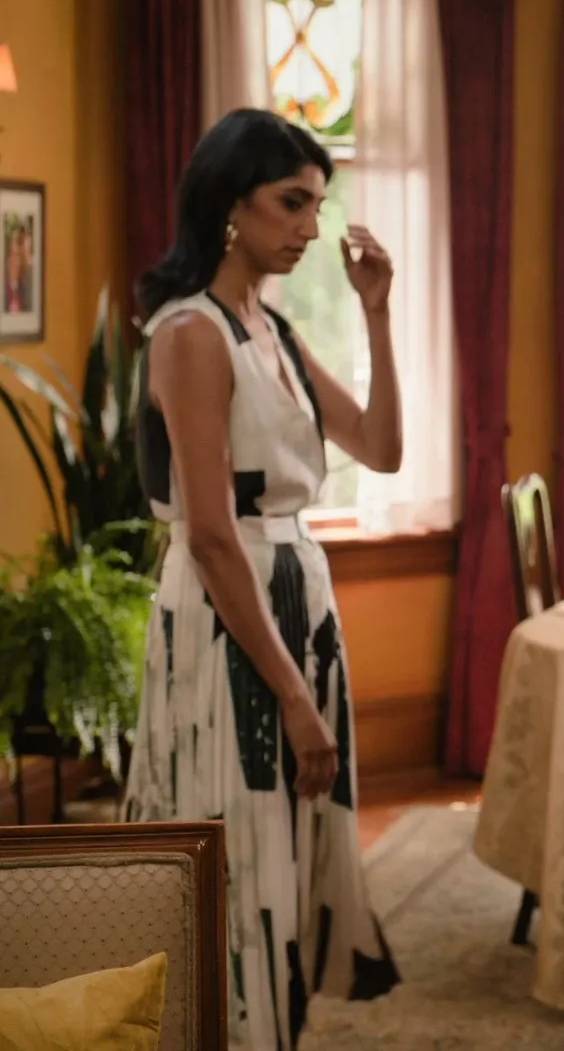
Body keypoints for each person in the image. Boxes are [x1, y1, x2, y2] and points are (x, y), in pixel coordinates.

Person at [121, 107, 404, 1049]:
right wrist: (293, 697)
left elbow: (382, 448)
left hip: (296, 593)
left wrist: (376, 314)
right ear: (229, 204)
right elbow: (210, 535)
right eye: (292, 203)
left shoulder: (270, 327)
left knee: (289, 843)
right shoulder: (190, 334)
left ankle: (273, 1029)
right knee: (238, 844)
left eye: (317, 205)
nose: (312, 228)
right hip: (229, 614)